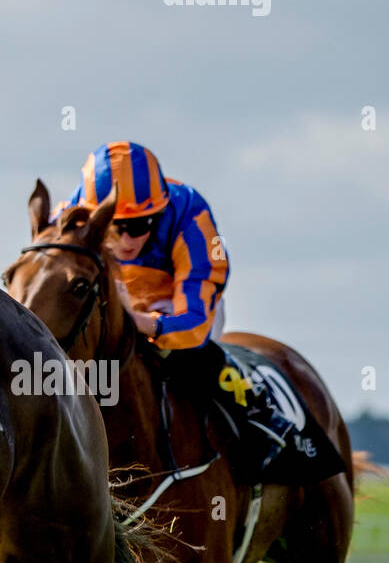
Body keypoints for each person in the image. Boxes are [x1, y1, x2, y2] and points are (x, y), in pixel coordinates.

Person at [54, 141, 293, 477]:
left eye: (139, 225)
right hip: (115, 301)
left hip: (175, 306)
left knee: (183, 356)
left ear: (159, 212)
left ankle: (257, 416)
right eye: (113, 227)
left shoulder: (191, 216)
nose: (125, 240)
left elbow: (195, 321)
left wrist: (142, 323)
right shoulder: (70, 215)